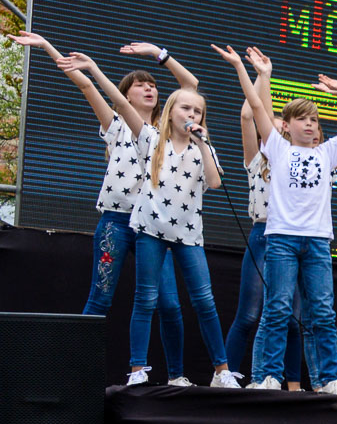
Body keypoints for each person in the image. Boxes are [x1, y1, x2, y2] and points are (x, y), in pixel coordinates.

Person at [8, 33, 189, 386]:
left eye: (152, 85)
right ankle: (71, 374)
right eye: (140, 85)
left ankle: (176, 376)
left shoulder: (168, 132)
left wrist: (158, 53)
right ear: (125, 94)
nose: (149, 89)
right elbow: (86, 84)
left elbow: (189, 86)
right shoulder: (117, 123)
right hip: (117, 222)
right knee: (99, 297)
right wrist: (47, 45)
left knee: (168, 303)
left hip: (155, 227)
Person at [77, 63, 237, 388]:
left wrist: (204, 143)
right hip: (148, 231)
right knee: (144, 299)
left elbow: (216, 181)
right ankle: (137, 370)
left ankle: (220, 371)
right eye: (185, 107)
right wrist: (93, 67)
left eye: (197, 110)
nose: (191, 113)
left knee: (201, 300)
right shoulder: (150, 138)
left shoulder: (201, 148)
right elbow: (120, 105)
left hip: (188, 236)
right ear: (169, 111)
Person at [219, 45, 337, 394]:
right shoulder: (278, 148)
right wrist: (244, 68)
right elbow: (255, 107)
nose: (310, 125)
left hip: (317, 241)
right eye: (303, 119)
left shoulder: (328, 153)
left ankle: (328, 380)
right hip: (280, 237)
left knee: (323, 312)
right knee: (277, 309)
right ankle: (266, 376)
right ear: (288, 125)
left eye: (314, 120)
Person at [224, 94, 304, 390]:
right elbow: (249, 115)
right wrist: (261, 76)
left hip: (292, 237)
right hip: (262, 235)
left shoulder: (300, 162)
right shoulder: (256, 158)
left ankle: (293, 384)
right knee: (248, 314)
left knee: (293, 319)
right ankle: (226, 376)